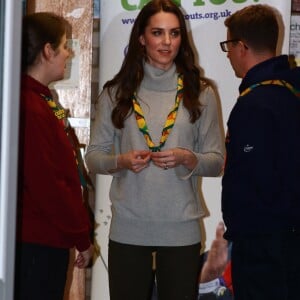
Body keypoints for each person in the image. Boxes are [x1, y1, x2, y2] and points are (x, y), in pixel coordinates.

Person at [85, 0, 224, 299]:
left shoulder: (201, 92)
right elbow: (93, 158)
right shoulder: (115, 92)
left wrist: (190, 158)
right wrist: (120, 161)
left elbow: (216, 162)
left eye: (174, 34)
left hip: (181, 228)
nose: (167, 42)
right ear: (141, 38)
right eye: (158, 33)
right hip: (128, 227)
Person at [220, 4, 300, 300]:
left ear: (241, 47)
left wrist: (240, 231)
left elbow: (251, 181)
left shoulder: (256, 104)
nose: (228, 55)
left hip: (263, 250)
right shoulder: (291, 91)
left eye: (228, 46)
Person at [15, 12, 93, 300]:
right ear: (47, 51)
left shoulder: (43, 99)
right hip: (38, 243)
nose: (69, 53)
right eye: (64, 46)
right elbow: (49, 184)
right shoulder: (30, 106)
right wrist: (81, 237)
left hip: (46, 240)